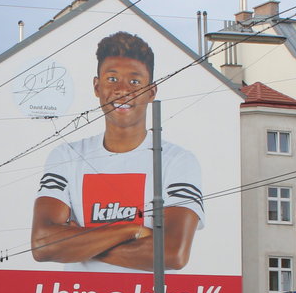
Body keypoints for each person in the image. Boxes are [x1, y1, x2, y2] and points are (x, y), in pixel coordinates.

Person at [31, 30, 204, 271]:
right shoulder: (67, 156)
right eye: (112, 79)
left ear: (151, 92)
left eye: (135, 81)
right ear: (96, 86)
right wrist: (131, 230)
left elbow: (172, 253)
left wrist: (78, 241)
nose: (122, 89)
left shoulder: (177, 161)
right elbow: (42, 245)